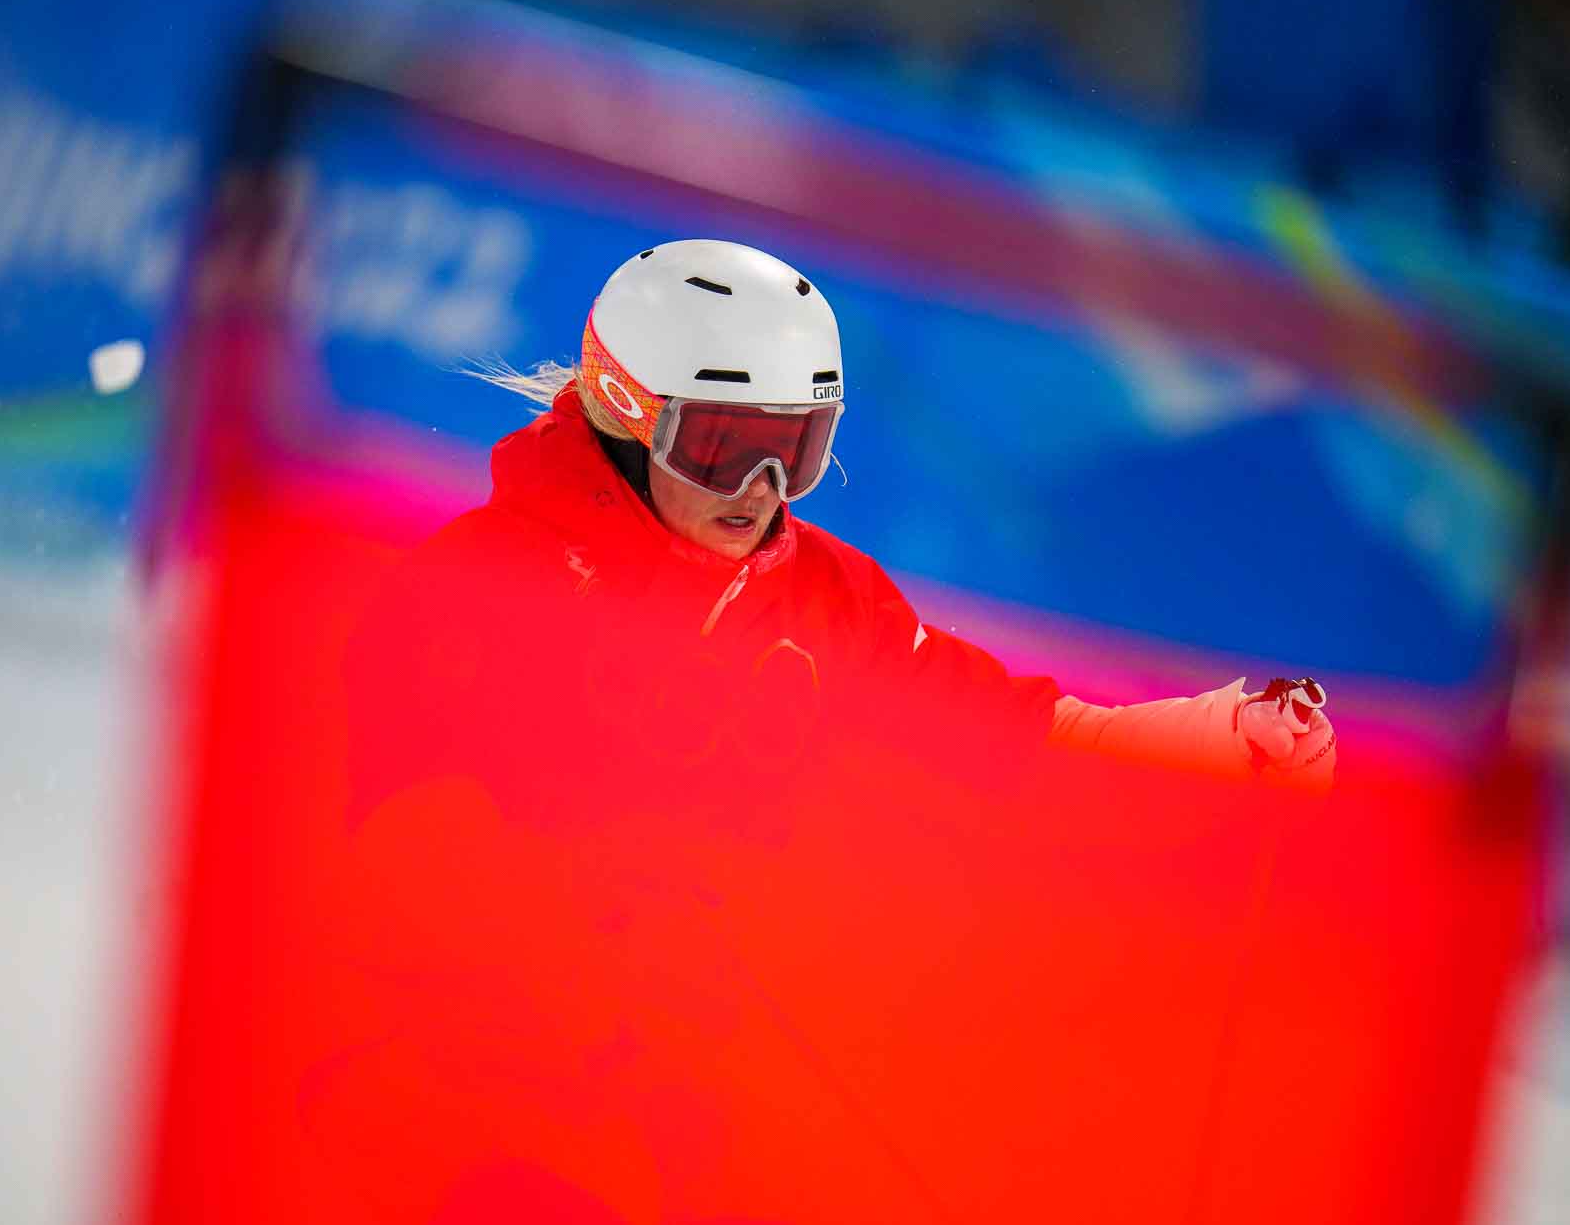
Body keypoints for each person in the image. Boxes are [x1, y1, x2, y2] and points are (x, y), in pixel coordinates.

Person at [348, 238, 1334, 828]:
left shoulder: (825, 600)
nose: (763, 491)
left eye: (797, 449)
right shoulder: (482, 588)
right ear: (625, 413)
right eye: (726, 446)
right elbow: (369, 833)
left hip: (715, 1054)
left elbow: (997, 731)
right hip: (507, 1039)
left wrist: (1212, 741)